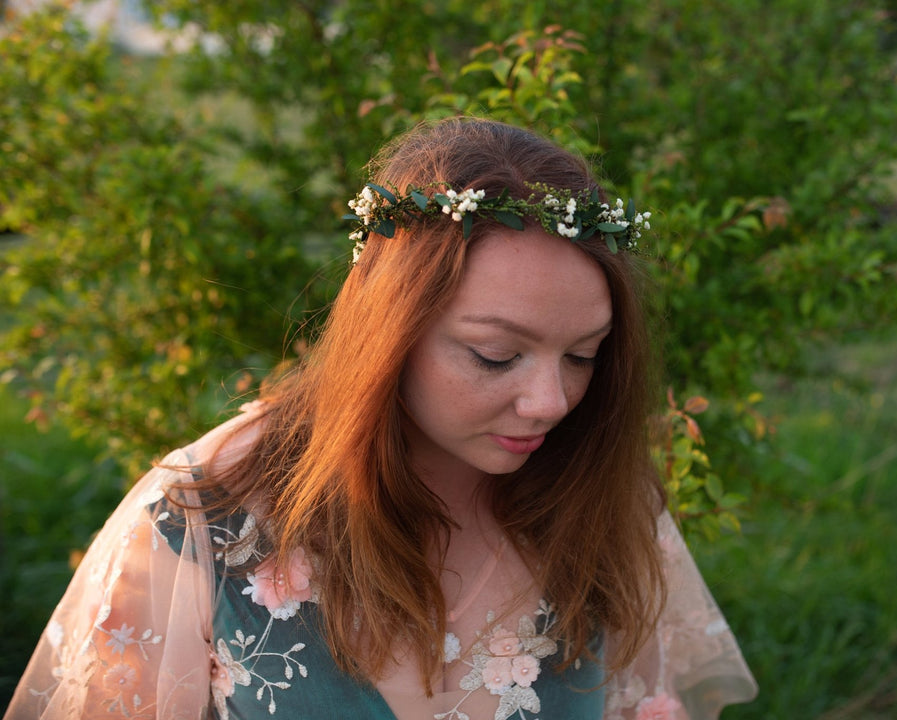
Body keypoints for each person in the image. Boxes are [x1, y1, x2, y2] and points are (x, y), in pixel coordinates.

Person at [4, 117, 756, 720]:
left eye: (584, 356)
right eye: (495, 356)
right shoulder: (209, 517)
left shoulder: (602, 496)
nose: (551, 403)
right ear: (387, 333)